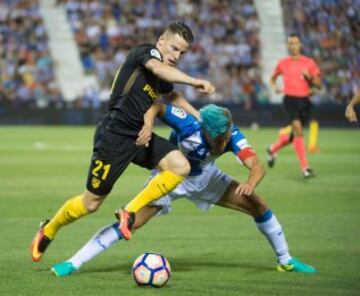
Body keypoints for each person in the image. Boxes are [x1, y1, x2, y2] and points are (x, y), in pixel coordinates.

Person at [51, 103, 317, 277]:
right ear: (206, 132)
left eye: (226, 138)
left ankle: (286, 260)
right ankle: (74, 262)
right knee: (129, 223)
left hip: (207, 179)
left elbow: (256, 165)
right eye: (220, 140)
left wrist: (250, 182)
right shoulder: (188, 123)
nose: (224, 143)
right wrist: (148, 125)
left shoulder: (231, 135)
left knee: (259, 205)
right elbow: (157, 105)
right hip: (170, 179)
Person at [31, 22, 216, 262]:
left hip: (140, 136)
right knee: (91, 203)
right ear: (161, 41)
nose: (177, 55)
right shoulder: (145, 53)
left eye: (182, 52)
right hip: (114, 135)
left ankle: (129, 211)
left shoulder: (163, 74)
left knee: (180, 166)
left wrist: (198, 116)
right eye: (174, 48)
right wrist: (194, 80)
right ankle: (49, 229)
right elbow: (159, 71)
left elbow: (172, 95)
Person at [267, 33, 322, 178]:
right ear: (288, 45)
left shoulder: (309, 62)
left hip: (305, 102)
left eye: (295, 43)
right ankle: (305, 167)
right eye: (290, 43)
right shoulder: (283, 63)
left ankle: (273, 148)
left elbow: (319, 85)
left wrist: (309, 77)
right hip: (290, 100)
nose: (293, 46)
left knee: (294, 137)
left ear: (300, 45)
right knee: (298, 130)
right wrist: (275, 87)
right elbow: (272, 79)